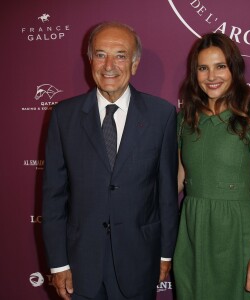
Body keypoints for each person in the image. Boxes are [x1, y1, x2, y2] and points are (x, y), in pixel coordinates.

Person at [42, 22, 178, 300]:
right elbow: (53, 196)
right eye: (101, 54)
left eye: (120, 55)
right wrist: (58, 262)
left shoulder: (161, 115)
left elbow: (166, 194)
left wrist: (165, 253)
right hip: (79, 265)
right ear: (90, 60)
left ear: (135, 63)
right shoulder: (63, 116)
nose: (109, 65)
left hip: (139, 259)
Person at [173, 32, 250, 299]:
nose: (211, 76)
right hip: (193, 231)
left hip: (238, 230)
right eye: (203, 68)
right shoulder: (185, 119)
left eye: (220, 66)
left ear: (234, 68)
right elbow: (178, 180)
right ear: (194, 73)